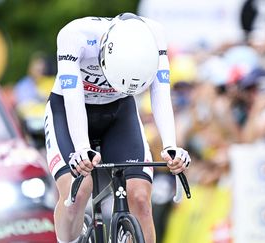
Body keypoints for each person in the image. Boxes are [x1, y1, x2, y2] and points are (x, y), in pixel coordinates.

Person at [43, 12, 191, 243]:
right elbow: (73, 98)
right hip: (68, 109)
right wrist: (82, 147)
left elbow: (160, 93)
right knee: (79, 191)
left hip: (119, 112)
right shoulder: (75, 35)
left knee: (140, 197)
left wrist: (170, 145)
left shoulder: (154, 36)